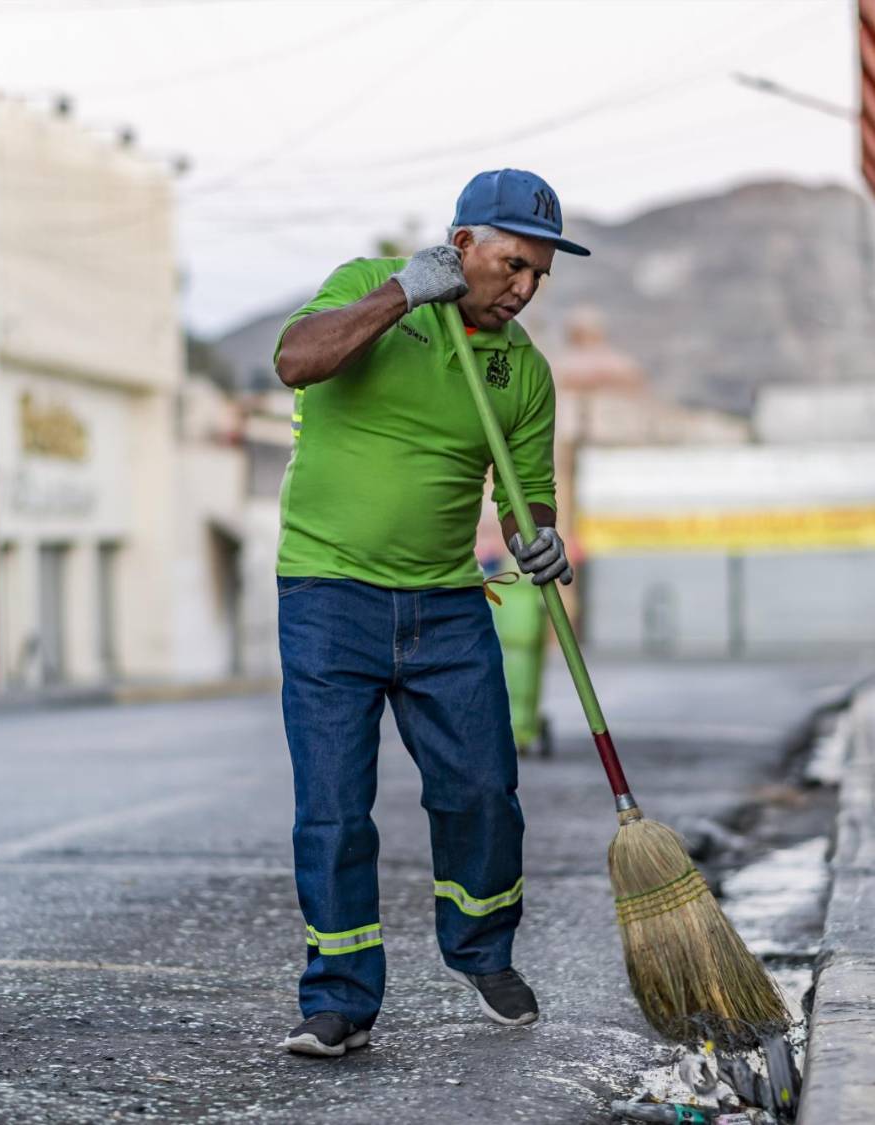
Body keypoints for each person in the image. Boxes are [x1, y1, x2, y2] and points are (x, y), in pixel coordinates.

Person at [270, 169, 589, 1057]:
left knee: (482, 790)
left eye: (538, 276)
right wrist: (400, 295)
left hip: (448, 603)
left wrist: (543, 542)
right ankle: (338, 998)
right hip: (326, 594)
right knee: (333, 808)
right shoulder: (365, 289)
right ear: (462, 248)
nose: (523, 289)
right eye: (511, 265)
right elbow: (297, 360)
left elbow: (530, 499)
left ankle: (483, 949)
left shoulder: (521, 370)